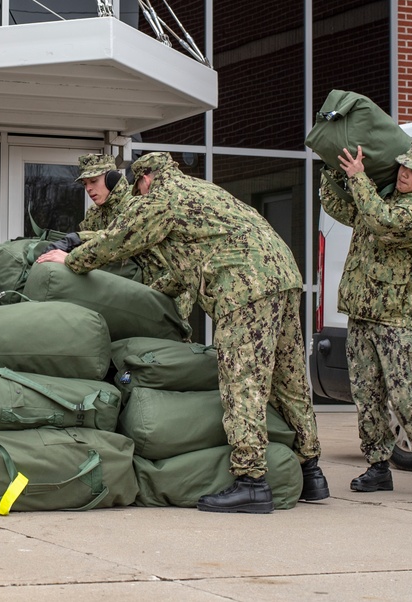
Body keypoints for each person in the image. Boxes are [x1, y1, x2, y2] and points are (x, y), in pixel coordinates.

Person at [37, 151, 329, 513]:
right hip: (282, 275)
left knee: (242, 381)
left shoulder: (162, 197)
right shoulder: (202, 193)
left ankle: (251, 481)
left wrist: (72, 258)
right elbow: (182, 270)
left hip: (243, 285)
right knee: (290, 379)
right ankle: (311, 471)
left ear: (144, 180)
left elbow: (120, 240)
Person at [325, 141, 412, 496]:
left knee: (404, 393)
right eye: (403, 167)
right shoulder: (381, 200)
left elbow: (382, 222)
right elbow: (338, 206)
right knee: (367, 395)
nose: (404, 173)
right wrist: (331, 171)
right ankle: (377, 466)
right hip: (362, 313)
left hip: (395, 317)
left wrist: (359, 178)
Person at [47, 153, 195, 320]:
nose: (88, 188)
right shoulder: (94, 215)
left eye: (94, 181)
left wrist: (77, 242)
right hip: (122, 298)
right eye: (85, 183)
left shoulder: (138, 205)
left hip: (162, 294)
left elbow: (116, 240)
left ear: (112, 178)